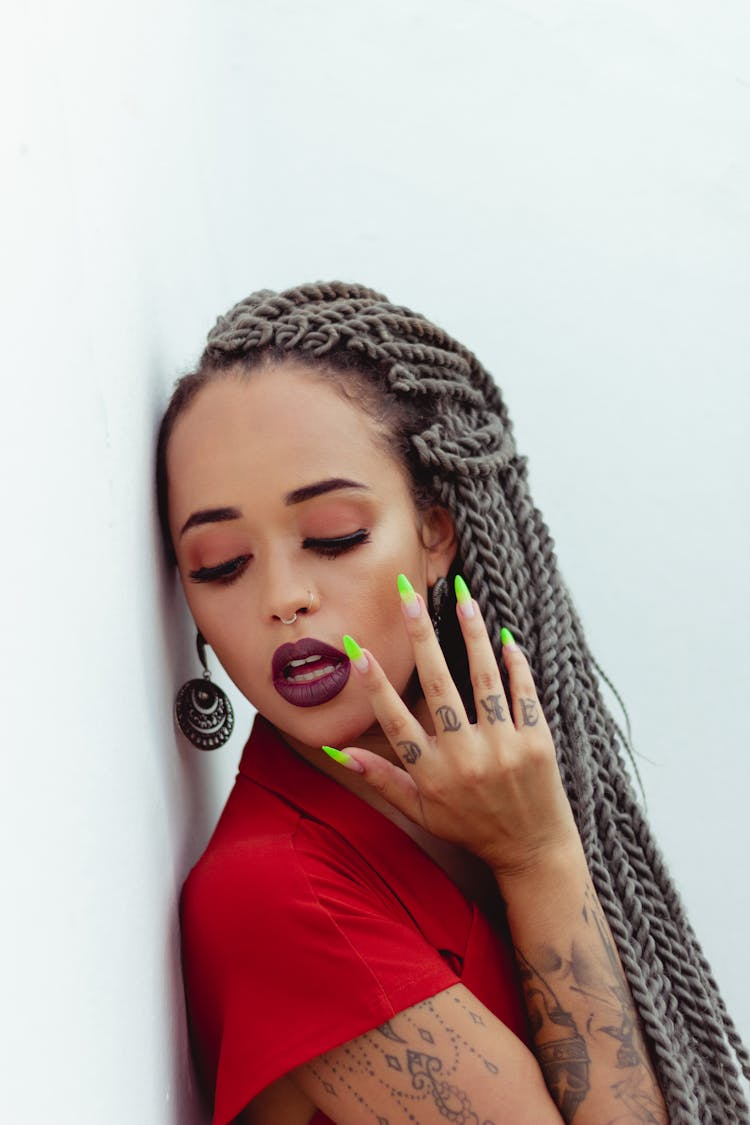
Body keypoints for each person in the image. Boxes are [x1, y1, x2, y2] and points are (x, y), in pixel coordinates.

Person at [157, 281, 749, 1125]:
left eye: (333, 536)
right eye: (219, 564)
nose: (282, 598)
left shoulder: (508, 775)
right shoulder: (276, 894)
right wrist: (541, 858)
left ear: (437, 532)